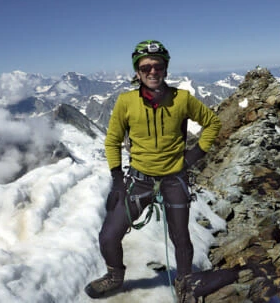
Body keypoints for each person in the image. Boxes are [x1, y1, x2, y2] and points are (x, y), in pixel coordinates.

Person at [85, 40, 221, 302]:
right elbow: (112, 140)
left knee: (181, 238)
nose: (152, 71)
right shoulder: (126, 102)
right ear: (137, 72)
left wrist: (193, 156)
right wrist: (117, 180)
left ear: (165, 69)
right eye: (145, 67)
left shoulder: (182, 99)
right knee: (108, 235)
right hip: (138, 180)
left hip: (174, 179)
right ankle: (115, 276)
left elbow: (212, 123)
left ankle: (185, 282)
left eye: (157, 65)